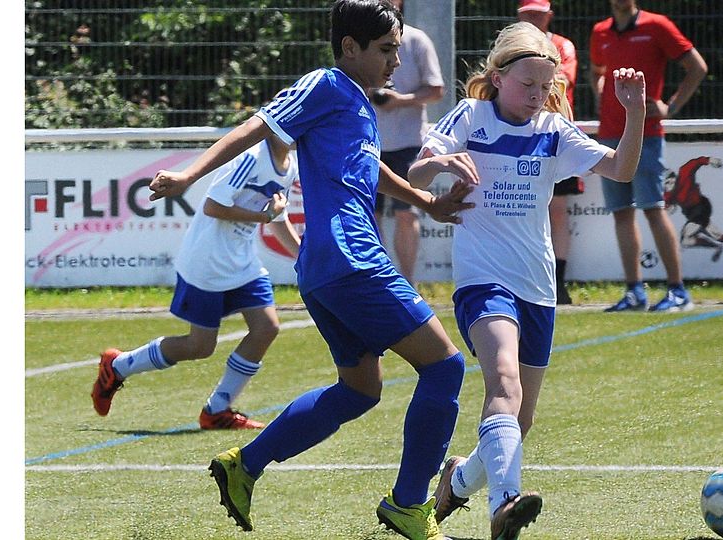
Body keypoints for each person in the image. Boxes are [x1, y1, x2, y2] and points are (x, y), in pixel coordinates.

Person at [148, 2, 473, 539]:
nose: (396, 61)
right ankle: (409, 506)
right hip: (351, 260)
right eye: (386, 50)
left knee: (361, 388)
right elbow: (258, 124)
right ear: (350, 47)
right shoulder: (326, 83)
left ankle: (243, 466)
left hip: (328, 266)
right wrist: (189, 174)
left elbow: (370, 166)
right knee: (444, 367)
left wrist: (422, 199)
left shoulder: (358, 102)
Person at [408, 22, 645, 540]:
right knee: (504, 385)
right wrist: (440, 160)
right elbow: (416, 175)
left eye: (545, 87)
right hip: (483, 280)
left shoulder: (552, 130)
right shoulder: (470, 116)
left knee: (523, 418)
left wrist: (635, 113)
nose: (537, 95)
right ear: (496, 77)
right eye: (527, 85)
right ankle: (505, 501)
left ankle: (458, 478)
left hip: (536, 287)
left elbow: (623, 170)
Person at [90, 134, 302, 430]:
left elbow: (275, 217)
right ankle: (118, 366)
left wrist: (304, 257)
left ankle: (217, 410)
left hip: (243, 262)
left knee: (266, 328)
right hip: (207, 262)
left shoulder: (290, 164)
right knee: (200, 346)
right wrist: (262, 217)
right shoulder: (252, 156)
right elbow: (213, 206)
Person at [590, 0, 707, 312]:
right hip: (610, 134)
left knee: (653, 209)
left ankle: (677, 291)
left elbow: (697, 67)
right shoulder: (600, 31)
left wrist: (671, 107)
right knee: (621, 212)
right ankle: (634, 292)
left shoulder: (657, 26)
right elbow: (597, 70)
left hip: (646, 134)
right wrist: (600, 89)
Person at [371, 0, 445, 284]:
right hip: (369, 142)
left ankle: (409, 283)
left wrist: (400, 100)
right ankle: (377, 282)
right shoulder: (361, 41)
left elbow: (436, 89)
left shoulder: (415, 39)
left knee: (406, 214)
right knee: (369, 215)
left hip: (408, 143)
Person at [516, 0, 580, 305]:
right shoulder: (513, 45)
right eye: (527, 14)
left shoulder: (562, 45)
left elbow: (562, 79)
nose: (532, 19)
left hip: (553, 134)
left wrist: (525, 76)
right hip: (519, 135)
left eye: (537, 14)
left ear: (549, 16)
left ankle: (559, 281)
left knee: (557, 209)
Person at [663, 156, 723, 262]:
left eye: (671, 179)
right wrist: (667, 210)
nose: (671, 183)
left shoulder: (684, 173)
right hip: (690, 213)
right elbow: (668, 208)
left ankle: (716, 246)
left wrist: (710, 160)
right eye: (667, 183)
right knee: (714, 233)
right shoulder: (667, 195)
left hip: (701, 207)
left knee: (686, 239)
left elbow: (696, 162)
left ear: (674, 176)